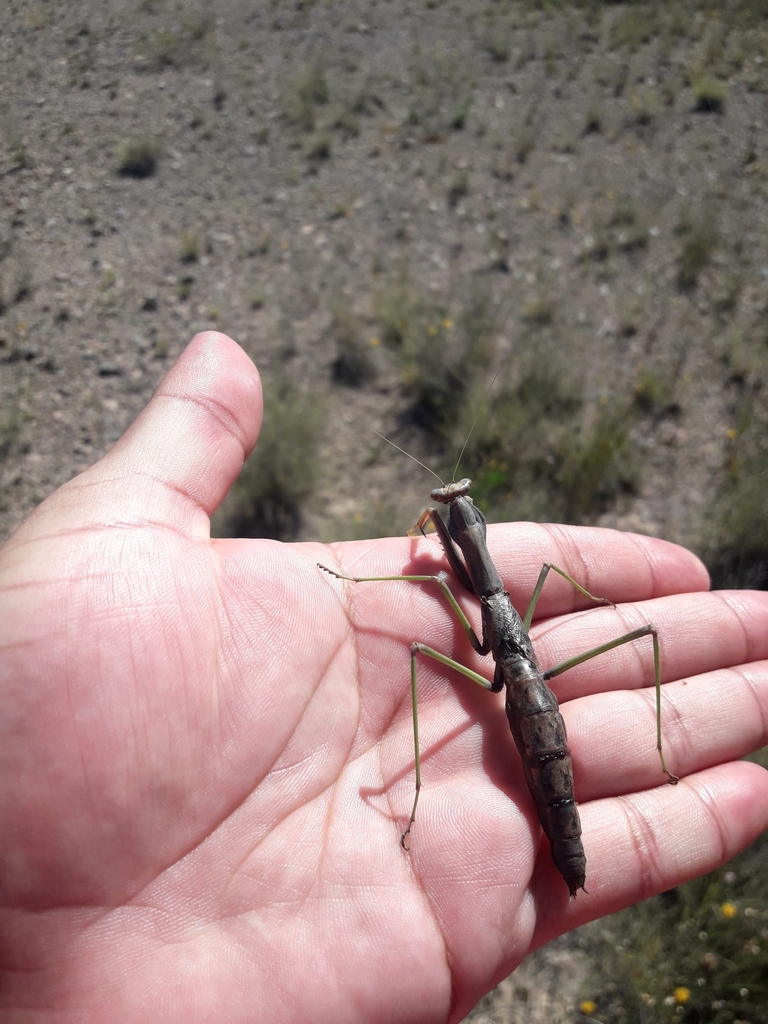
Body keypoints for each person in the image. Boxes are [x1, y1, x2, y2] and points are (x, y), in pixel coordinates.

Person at [0, 331, 766, 1024]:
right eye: (448, 510)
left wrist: (365, 579)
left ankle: (542, 791)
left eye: (450, 512)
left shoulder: (463, 585)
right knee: (626, 637)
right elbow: (473, 580)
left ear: (458, 525)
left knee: (455, 633)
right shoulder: (498, 585)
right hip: (533, 686)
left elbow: (445, 583)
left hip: (527, 697)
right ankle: (637, 776)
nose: (448, 513)